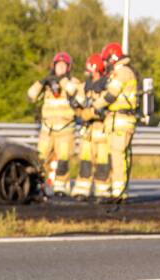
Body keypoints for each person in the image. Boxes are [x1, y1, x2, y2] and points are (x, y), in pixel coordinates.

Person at [26, 52, 81, 197]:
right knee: (40, 159)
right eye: (58, 65)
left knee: (63, 159)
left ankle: (61, 187)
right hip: (47, 130)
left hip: (65, 129)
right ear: (53, 66)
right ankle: (38, 185)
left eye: (64, 65)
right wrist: (42, 82)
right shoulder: (47, 84)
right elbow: (31, 95)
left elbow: (74, 91)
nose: (61, 68)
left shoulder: (73, 81)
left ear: (68, 67)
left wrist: (62, 81)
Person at [93, 42, 139, 201]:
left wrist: (95, 105)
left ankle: (119, 192)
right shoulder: (119, 72)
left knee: (118, 156)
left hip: (121, 120)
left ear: (112, 58)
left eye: (106, 60)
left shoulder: (123, 72)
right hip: (116, 120)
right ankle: (118, 189)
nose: (105, 64)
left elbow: (111, 94)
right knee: (117, 156)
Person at [71, 53, 109, 200]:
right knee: (85, 162)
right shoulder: (84, 86)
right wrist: (78, 110)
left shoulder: (106, 86)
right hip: (87, 132)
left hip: (102, 132)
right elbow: (78, 106)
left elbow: (104, 109)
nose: (88, 73)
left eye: (90, 70)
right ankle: (81, 190)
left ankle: (102, 191)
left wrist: (90, 113)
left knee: (103, 163)